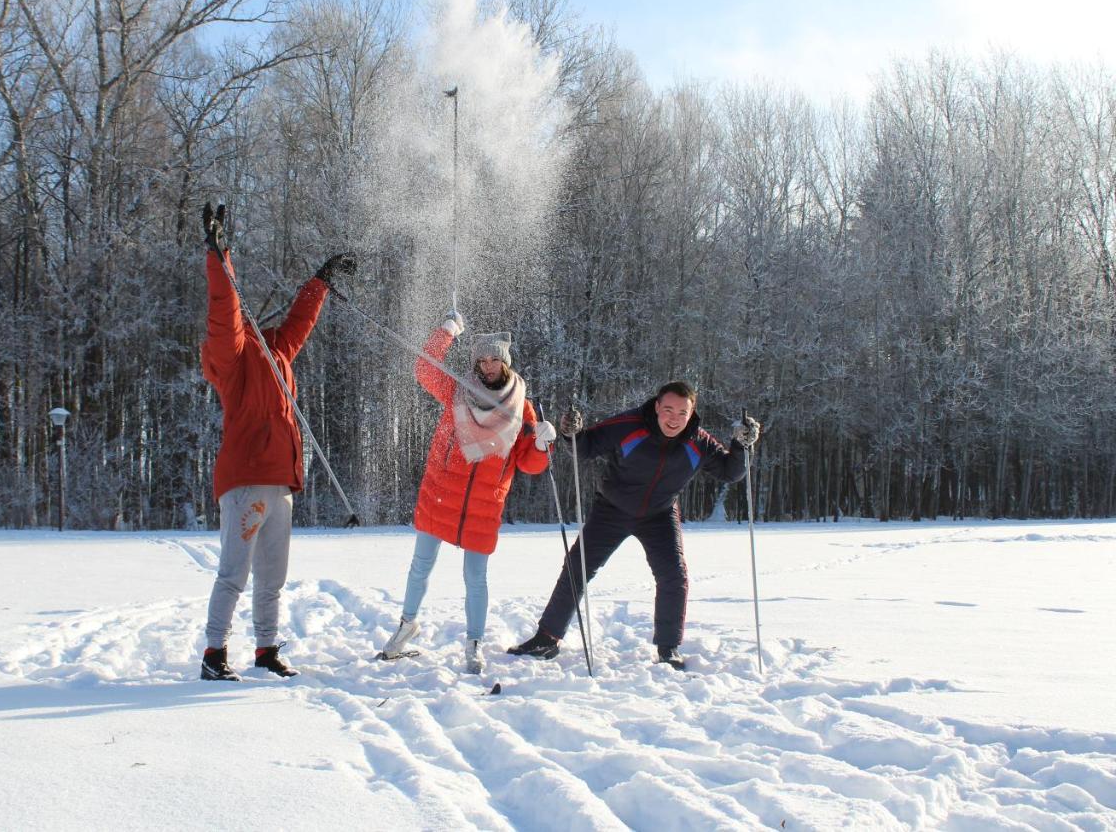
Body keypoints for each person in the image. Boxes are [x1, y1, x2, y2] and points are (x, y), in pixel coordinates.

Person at [197, 203, 356, 681]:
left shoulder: (278, 351)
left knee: (273, 578)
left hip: (281, 484)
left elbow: (300, 320)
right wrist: (220, 255)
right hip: (246, 481)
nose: (260, 327)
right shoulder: (233, 358)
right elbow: (224, 313)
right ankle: (214, 654)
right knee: (234, 573)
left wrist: (321, 281)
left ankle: (266, 650)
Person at [507, 381, 761, 670]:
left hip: (660, 515)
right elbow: (584, 448)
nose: (673, 419)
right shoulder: (629, 425)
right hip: (612, 509)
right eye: (668, 410)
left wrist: (742, 445)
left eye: (682, 413)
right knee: (576, 568)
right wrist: (571, 432)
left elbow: (731, 472)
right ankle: (547, 638)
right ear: (656, 407)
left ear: (691, 414)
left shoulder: (698, 442)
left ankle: (668, 649)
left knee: (673, 577)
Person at [379, 312, 556, 674]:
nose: (488, 365)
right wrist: (446, 331)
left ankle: (474, 642)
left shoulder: (522, 408)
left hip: (483, 505)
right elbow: (424, 369)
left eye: (494, 359)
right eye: (482, 360)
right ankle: (405, 626)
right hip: (440, 493)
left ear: (506, 363)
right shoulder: (458, 389)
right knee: (420, 567)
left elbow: (528, 464)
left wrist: (541, 445)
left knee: (475, 578)